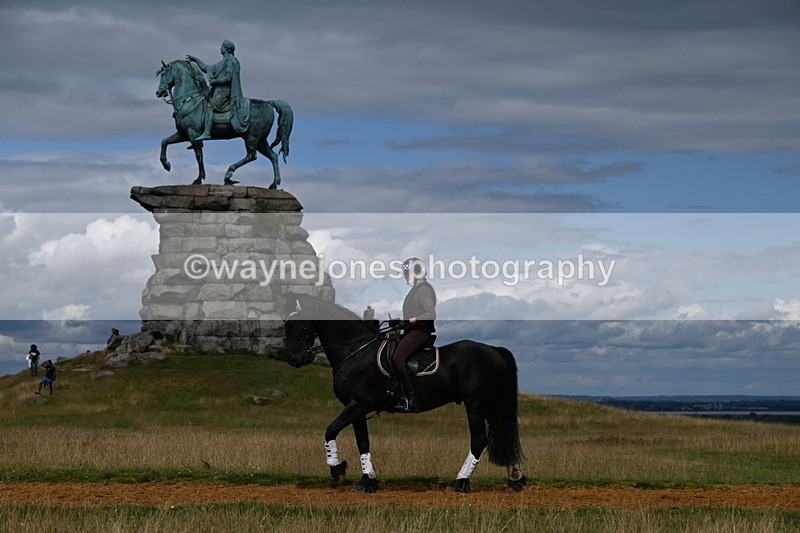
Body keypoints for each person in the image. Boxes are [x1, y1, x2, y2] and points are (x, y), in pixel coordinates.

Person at [392, 258, 436, 413]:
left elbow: (431, 314)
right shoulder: (414, 290)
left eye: (407, 273)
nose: (405, 276)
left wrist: (412, 320)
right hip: (410, 330)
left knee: (398, 358)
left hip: (420, 332)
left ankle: (413, 400)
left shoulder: (423, 289)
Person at [186, 39, 251, 141]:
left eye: (222, 46)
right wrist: (196, 60)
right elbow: (207, 68)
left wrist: (215, 82)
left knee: (209, 106)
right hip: (218, 92)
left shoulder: (231, 61)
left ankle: (207, 132)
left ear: (226, 48)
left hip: (225, 92)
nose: (220, 48)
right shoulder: (222, 63)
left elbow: (229, 77)